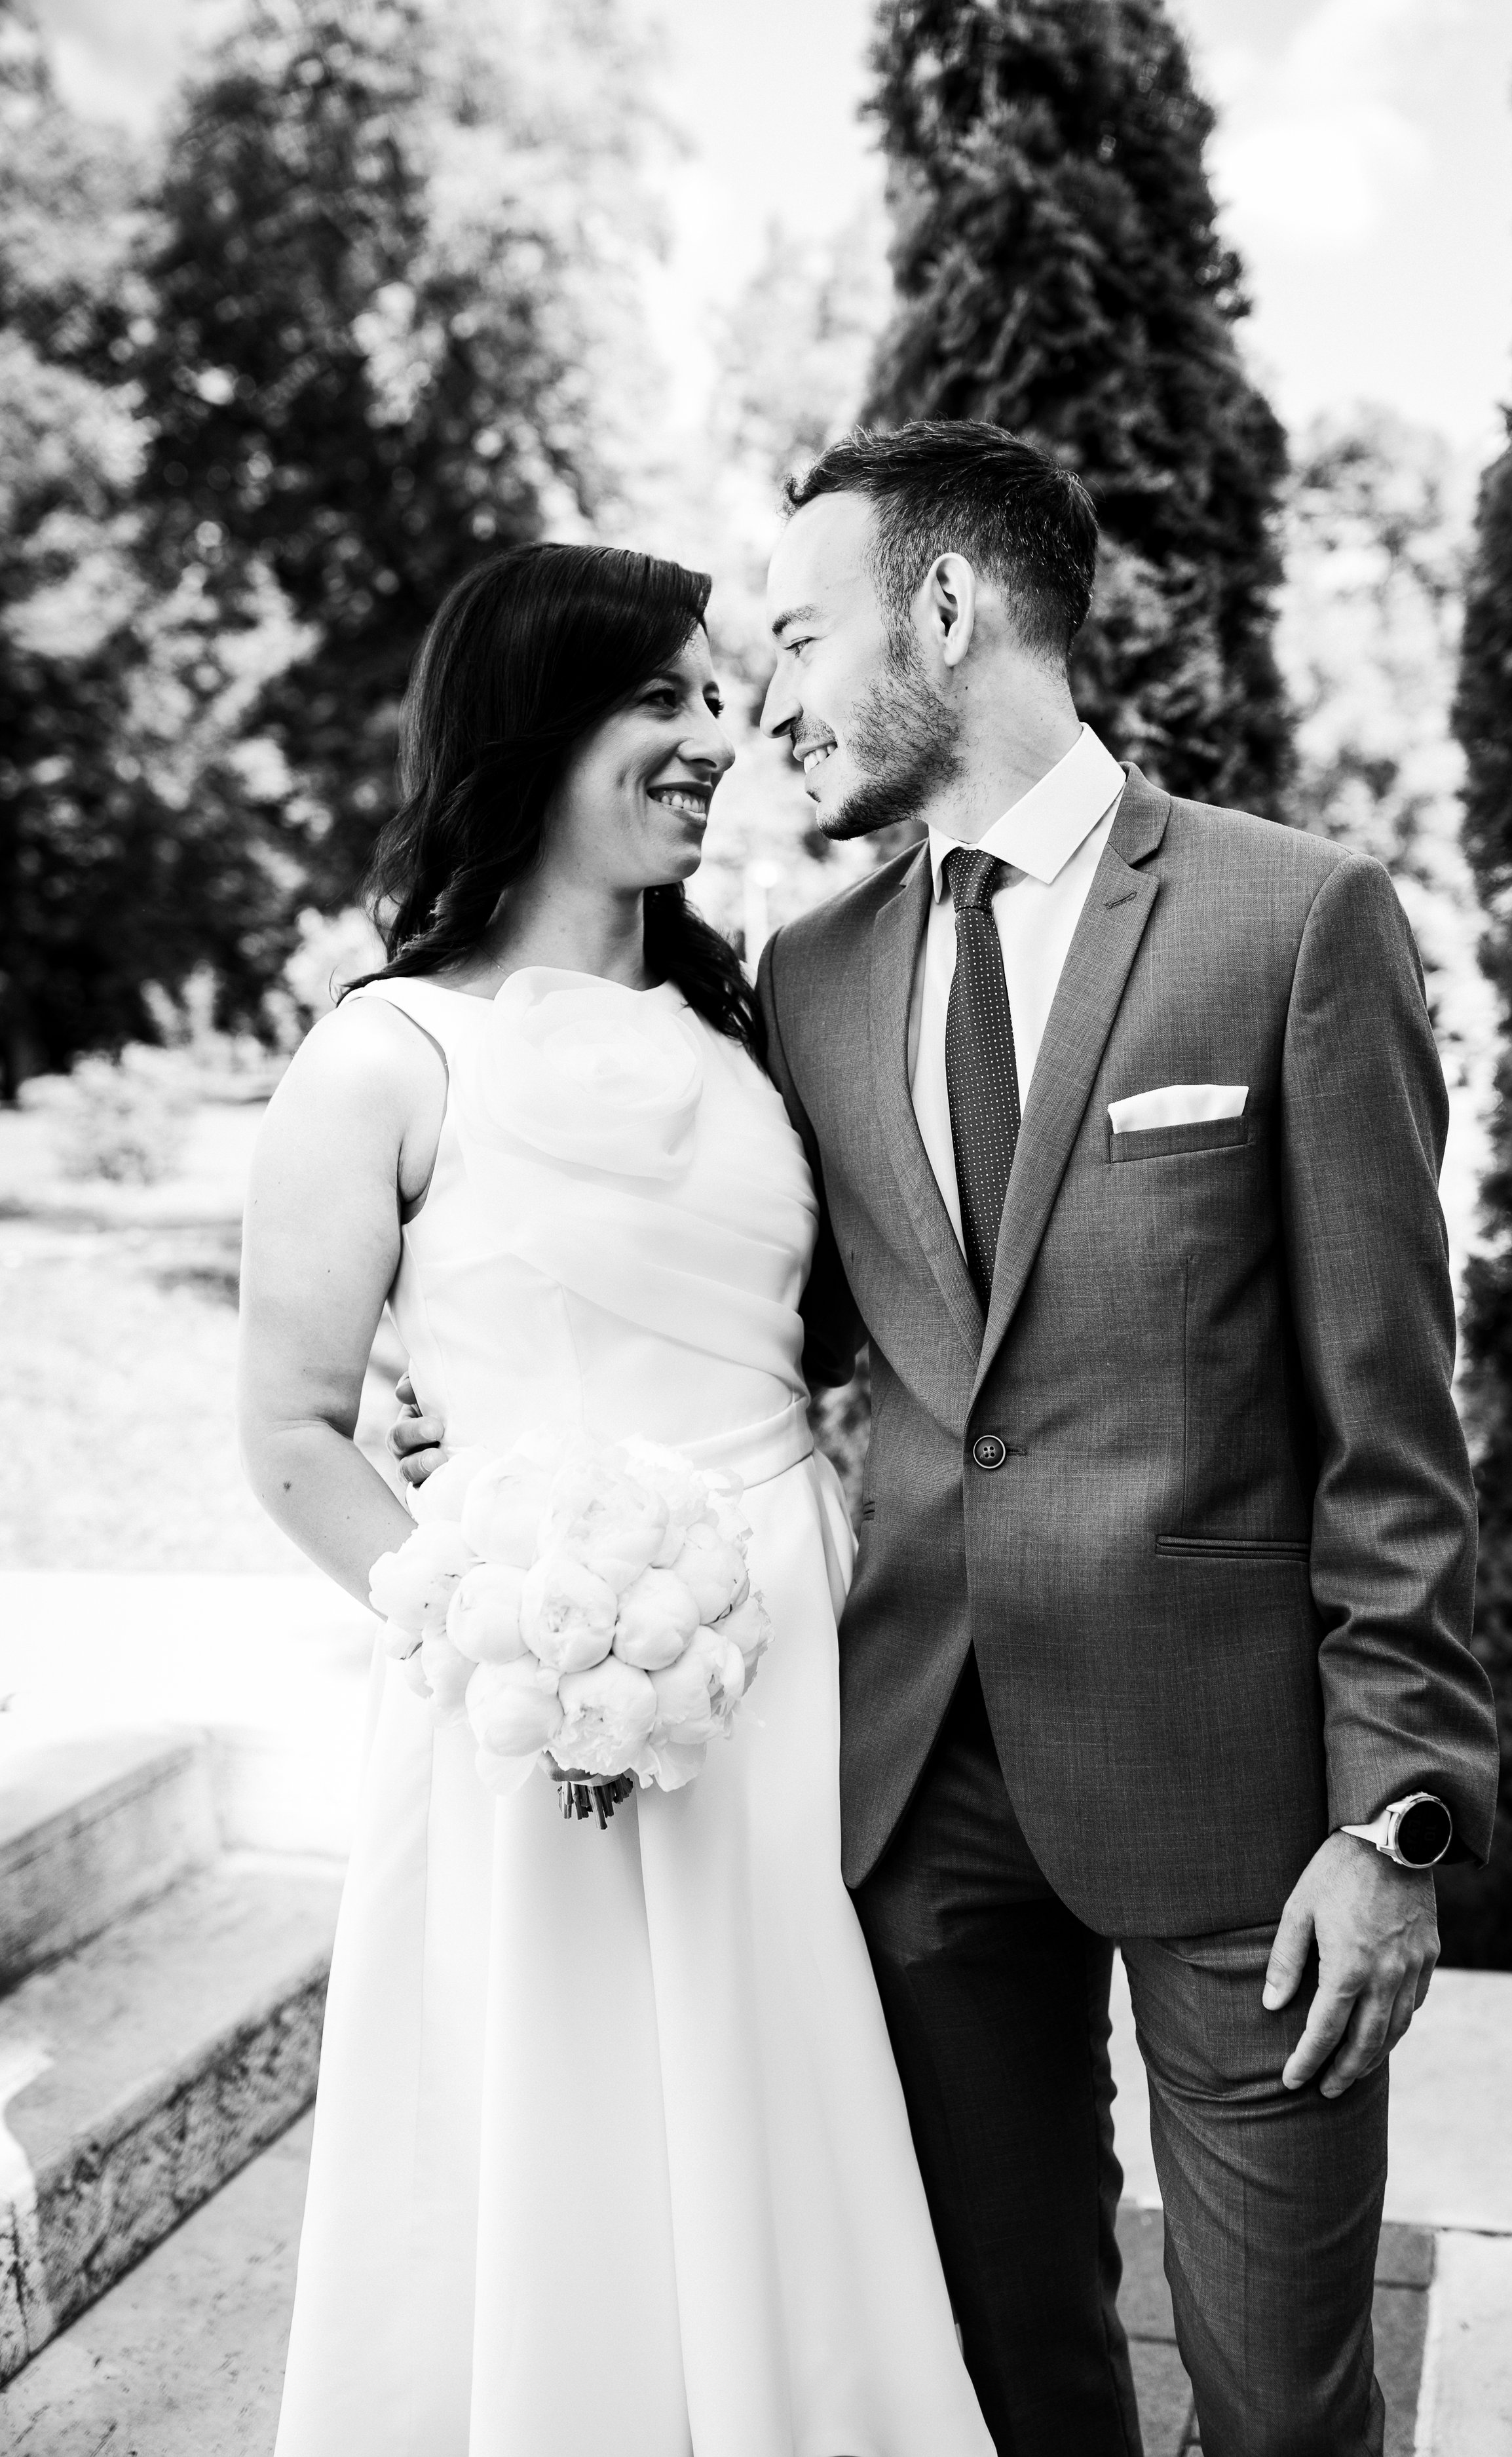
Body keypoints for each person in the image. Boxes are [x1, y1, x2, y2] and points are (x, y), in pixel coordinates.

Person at [742, 419, 1502, 2457]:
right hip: (916, 1795)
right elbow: (786, 1338)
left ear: (943, 605)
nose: (764, 703)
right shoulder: (802, 976)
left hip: (1243, 1810)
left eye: (797, 639)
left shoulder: (1291, 917)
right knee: (1006, 2382)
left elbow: (1390, 1420)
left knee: (1276, 2408)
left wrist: (1392, 1818)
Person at [238, 541, 995, 2457]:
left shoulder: (749, 1030)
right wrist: (507, 1633)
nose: (712, 736)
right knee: (553, 2124)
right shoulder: (383, 1057)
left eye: (717, 695)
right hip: (532, 1708)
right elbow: (297, 1433)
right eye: (657, 696)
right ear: (531, 722)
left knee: (773, 2100)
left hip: (790, 1666)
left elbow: (824, 1344)